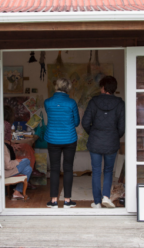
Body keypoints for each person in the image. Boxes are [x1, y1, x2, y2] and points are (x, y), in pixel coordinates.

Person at [82, 76, 125, 209]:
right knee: (108, 170)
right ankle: (106, 197)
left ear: (103, 88)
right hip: (111, 141)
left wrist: (94, 133)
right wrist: (114, 136)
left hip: (95, 141)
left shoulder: (94, 101)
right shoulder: (120, 103)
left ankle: (96, 202)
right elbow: (122, 127)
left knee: (96, 171)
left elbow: (85, 123)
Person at [45, 78, 80, 209]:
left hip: (52, 139)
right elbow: (76, 122)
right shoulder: (71, 103)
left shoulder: (47, 102)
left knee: (54, 169)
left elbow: (52, 117)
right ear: (68, 88)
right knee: (68, 169)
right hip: (69, 138)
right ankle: (67, 201)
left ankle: (53, 201)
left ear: (56, 87)